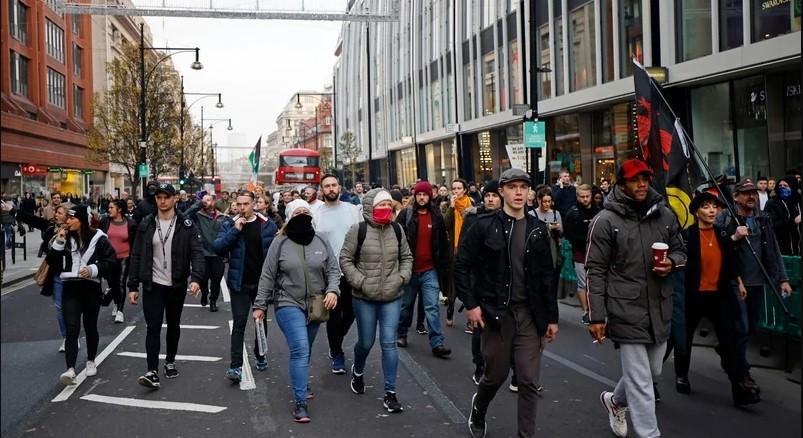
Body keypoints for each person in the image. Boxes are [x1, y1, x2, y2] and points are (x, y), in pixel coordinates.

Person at [586, 159, 686, 438]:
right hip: (624, 307)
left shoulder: (665, 215)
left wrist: (672, 263)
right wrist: (596, 316)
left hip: (659, 304)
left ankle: (615, 401)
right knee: (642, 380)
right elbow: (595, 270)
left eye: (646, 178)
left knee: (652, 371)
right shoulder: (605, 220)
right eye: (634, 179)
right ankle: (649, 434)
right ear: (622, 183)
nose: (642, 184)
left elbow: (681, 250)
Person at [456, 169, 558, 438]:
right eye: (512, 187)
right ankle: (479, 407)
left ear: (529, 193)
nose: (518, 192)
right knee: (496, 375)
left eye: (523, 187)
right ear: (501, 191)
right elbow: (462, 265)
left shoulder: (537, 229)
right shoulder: (483, 226)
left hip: (529, 314)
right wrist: (471, 304)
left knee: (527, 379)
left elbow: (548, 275)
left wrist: (552, 317)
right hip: (496, 313)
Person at [253, 200, 340, 423]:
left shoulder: (321, 240)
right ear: (289, 216)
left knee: (306, 347)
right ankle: (300, 401)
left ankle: (302, 382)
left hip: (316, 305)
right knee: (300, 348)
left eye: (305, 211)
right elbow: (267, 275)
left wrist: (332, 290)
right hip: (287, 303)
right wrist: (260, 305)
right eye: (297, 212)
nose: (302, 215)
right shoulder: (279, 243)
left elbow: (333, 269)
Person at [673, 191, 760, 406]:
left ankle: (739, 388)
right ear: (696, 212)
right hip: (693, 296)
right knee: (684, 337)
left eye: (714, 206)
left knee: (728, 340)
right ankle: (681, 375)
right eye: (706, 206)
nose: (712, 210)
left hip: (718, 295)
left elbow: (730, 261)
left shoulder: (722, 234)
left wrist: (738, 282)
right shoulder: (687, 235)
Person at [339, 188, 413, 413]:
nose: (386, 209)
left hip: (392, 296)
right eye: (381, 205)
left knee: (388, 342)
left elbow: (407, 257)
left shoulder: (398, 230)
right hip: (364, 298)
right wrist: (360, 281)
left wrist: (402, 278)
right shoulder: (357, 231)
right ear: (371, 207)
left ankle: (390, 393)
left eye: (389, 206)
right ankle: (358, 371)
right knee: (366, 342)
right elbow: (345, 259)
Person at [127, 183, 205, 389]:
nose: (162, 201)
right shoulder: (146, 223)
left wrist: (196, 278)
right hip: (153, 284)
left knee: (173, 324)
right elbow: (136, 255)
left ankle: (170, 361)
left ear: (174, 199)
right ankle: (151, 370)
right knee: (152, 326)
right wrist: (133, 286)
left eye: (166, 197)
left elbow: (197, 252)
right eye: (159, 197)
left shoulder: (186, 224)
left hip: (176, 283)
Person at [716, 178, 791, 387]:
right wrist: (734, 237)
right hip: (734, 282)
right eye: (746, 193)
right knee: (741, 327)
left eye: (753, 193)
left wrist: (783, 278)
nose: (751, 196)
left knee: (749, 328)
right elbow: (715, 246)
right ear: (735, 197)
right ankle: (742, 372)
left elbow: (774, 250)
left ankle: (726, 350)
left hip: (757, 283)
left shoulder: (763, 219)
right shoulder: (726, 218)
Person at [47, 206, 117, 385]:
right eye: (67, 218)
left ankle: (91, 360)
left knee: (90, 325)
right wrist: (59, 243)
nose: (67, 222)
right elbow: (52, 264)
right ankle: (70, 369)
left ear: (82, 220)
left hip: (90, 287)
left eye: (72, 218)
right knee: (72, 329)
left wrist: (93, 269)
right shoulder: (62, 237)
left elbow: (111, 262)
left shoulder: (98, 239)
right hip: (69, 287)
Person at [213, 190, 277, 382]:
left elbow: (274, 255)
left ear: (254, 204)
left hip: (261, 284)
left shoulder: (267, 225)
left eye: (246, 204)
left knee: (260, 322)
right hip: (239, 283)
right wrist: (235, 230)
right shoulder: (229, 223)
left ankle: (260, 354)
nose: (242, 208)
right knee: (239, 323)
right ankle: (235, 367)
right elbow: (218, 247)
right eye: (239, 204)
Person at [312, 174, 363, 375]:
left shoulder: (352, 210)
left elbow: (362, 237)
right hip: (329, 275)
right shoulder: (316, 214)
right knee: (333, 316)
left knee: (351, 313)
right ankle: (337, 353)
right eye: (327, 186)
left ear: (339, 187)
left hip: (352, 271)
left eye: (334, 185)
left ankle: (337, 340)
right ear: (322, 190)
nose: (331, 189)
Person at [394, 180, 452, 358]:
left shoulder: (436, 217)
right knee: (406, 306)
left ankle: (437, 343)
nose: (421, 197)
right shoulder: (406, 215)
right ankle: (402, 334)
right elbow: (396, 239)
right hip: (409, 269)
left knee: (432, 307)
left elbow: (442, 243)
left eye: (425, 194)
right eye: (419, 194)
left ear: (430, 196)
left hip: (430, 270)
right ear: (415, 196)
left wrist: (444, 268)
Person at [460, 179, 502, 384]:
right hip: (479, 282)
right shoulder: (473, 220)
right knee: (480, 328)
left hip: (503, 285)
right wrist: (468, 294)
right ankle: (480, 366)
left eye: (494, 195)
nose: (491, 199)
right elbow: (463, 257)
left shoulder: (509, 220)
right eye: (487, 196)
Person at [563, 184, 600, 325]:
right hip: (580, 252)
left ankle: (596, 309)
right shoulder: (572, 213)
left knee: (596, 282)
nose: (585, 199)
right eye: (582, 197)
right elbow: (569, 234)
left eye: (587, 196)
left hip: (597, 252)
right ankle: (585, 311)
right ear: (577, 197)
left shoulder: (598, 210)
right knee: (582, 282)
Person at [185, 194, 226, 312]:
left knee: (216, 280)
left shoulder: (221, 217)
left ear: (214, 201)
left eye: (208, 200)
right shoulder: (197, 215)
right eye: (203, 201)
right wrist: (198, 205)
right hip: (203, 253)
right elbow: (185, 215)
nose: (205, 202)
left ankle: (213, 301)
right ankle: (204, 293)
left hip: (218, 253)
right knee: (203, 279)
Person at [99, 200, 136, 323]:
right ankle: (116, 302)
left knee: (121, 282)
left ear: (119, 209)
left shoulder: (130, 223)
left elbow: (134, 242)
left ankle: (120, 311)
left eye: (111, 207)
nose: (108, 210)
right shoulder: (105, 222)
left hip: (124, 257)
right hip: (109, 259)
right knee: (112, 284)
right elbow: (99, 239)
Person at [443, 178, 474, 326]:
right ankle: (450, 308)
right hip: (454, 251)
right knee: (454, 285)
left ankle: (471, 318)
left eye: (459, 188)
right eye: (453, 188)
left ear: (465, 190)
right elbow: (445, 225)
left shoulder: (472, 205)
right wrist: (451, 207)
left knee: (471, 285)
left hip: (469, 250)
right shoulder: (448, 207)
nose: (456, 191)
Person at [530, 188, 563, 294]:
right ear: (539, 200)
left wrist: (557, 228)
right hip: (538, 250)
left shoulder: (555, 214)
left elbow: (562, 232)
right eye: (544, 201)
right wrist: (547, 227)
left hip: (552, 249)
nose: (547, 204)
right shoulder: (532, 214)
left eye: (549, 201)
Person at [764, 176, 801, 256]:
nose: (782, 188)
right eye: (780, 186)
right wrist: (793, 221)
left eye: (785, 186)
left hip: (798, 247)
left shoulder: (797, 202)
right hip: (782, 248)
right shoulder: (772, 203)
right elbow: (771, 224)